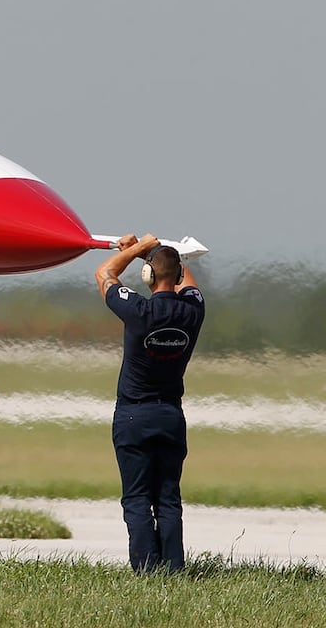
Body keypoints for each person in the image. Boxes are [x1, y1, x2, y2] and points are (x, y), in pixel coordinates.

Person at [94, 233, 205, 574]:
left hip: (133, 415)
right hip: (171, 415)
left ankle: (146, 571)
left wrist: (140, 249)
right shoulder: (193, 311)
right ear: (178, 271)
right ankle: (173, 570)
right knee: (168, 499)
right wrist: (165, 253)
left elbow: (104, 275)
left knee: (138, 498)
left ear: (148, 276)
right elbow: (188, 280)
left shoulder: (138, 310)